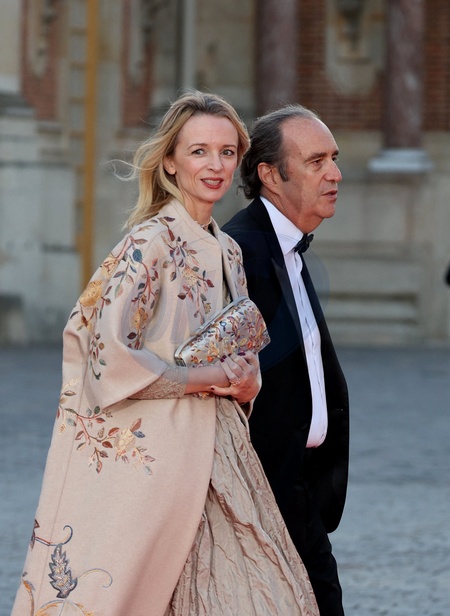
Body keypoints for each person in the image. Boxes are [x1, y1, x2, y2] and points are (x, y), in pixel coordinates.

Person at [11, 91, 320, 616]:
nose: (215, 165)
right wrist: (206, 376)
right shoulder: (147, 243)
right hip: (154, 461)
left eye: (227, 152)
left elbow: (239, 354)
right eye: (199, 151)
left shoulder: (229, 250)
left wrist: (248, 382)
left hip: (221, 457)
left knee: (262, 595)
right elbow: (103, 354)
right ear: (171, 162)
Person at [223, 104, 350, 616]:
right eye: (316, 161)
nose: (334, 173)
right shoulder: (240, 252)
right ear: (271, 175)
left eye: (334, 159)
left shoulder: (288, 247)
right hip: (261, 492)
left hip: (297, 485)